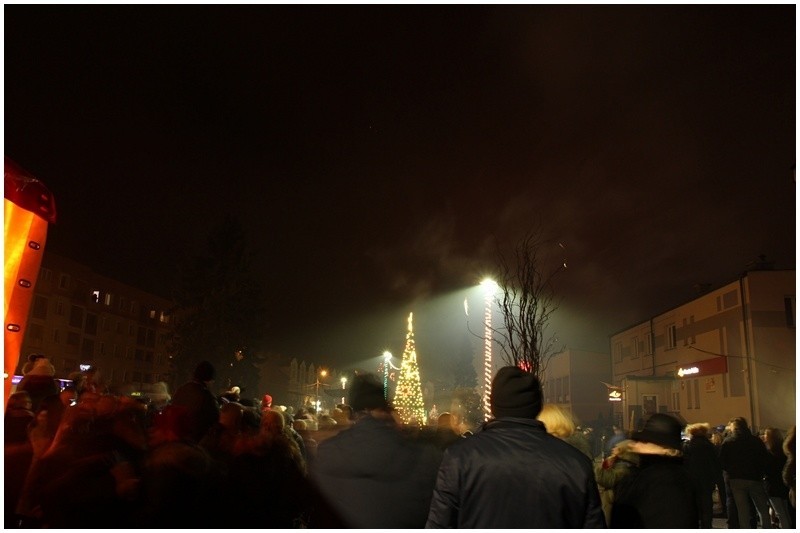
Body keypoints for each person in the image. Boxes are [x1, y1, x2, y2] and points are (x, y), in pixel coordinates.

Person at [426, 366, 605, 528]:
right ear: (538, 405)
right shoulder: (576, 463)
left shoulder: (460, 458)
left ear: (494, 404)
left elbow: (439, 524)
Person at [311, 373, 442, 528]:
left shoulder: (329, 451)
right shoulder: (421, 455)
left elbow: (319, 512)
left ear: (355, 411)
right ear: (383, 409)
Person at [610, 413, 698, 528]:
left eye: (646, 442)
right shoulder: (648, 474)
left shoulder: (664, 481)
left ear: (666, 449)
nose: (637, 445)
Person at [719, 417, 773, 529]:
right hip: (754, 478)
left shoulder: (728, 442)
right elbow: (764, 459)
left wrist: (730, 471)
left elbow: (722, 461)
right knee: (762, 508)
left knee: (742, 511)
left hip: (736, 479)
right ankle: (766, 528)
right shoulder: (756, 441)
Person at [683, 422, 724, 528]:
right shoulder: (709, 447)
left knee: (694, 506)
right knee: (706, 505)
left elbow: (684, 464)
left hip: (692, 480)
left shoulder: (688, 446)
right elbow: (715, 464)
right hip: (707, 480)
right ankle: (707, 526)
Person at [170, 360, 220, 443]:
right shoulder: (207, 396)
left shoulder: (181, 390)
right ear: (209, 380)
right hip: (195, 443)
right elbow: (215, 420)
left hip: (176, 440)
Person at [594, 438, 639, 527]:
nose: (613, 449)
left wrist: (601, 464)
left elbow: (606, 480)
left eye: (617, 448)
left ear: (623, 451)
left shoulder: (624, 467)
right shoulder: (622, 465)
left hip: (614, 503)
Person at [762, 427, 792, 529]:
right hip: (782, 485)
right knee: (785, 511)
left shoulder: (768, 453)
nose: (763, 436)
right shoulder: (784, 451)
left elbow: (766, 469)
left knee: (780, 512)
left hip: (772, 486)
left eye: (765, 435)